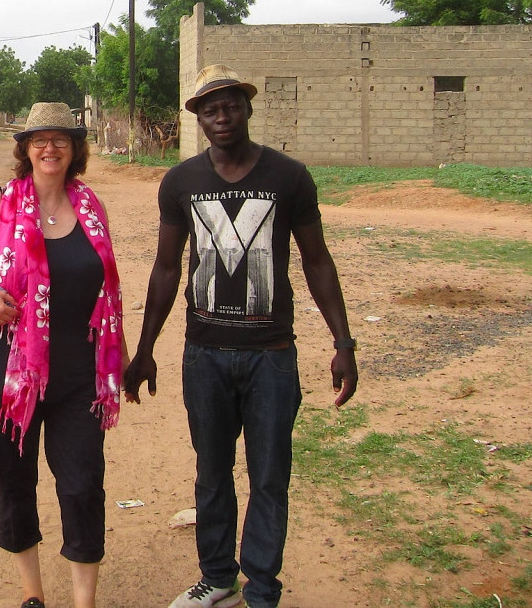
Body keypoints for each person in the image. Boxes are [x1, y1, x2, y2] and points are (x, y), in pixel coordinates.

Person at [123, 65, 358, 608]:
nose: (221, 116)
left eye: (230, 105)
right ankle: (218, 577)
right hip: (203, 354)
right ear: (198, 119)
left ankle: (262, 590)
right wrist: (145, 350)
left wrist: (343, 342)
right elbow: (164, 269)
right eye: (210, 109)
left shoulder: (289, 176)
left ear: (247, 109)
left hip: (271, 356)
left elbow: (317, 261)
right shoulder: (180, 182)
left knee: (270, 475)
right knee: (212, 472)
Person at [0, 101, 129, 608]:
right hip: (11, 375)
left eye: (60, 139)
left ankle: (84, 601)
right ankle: (32, 595)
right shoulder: (0, 201)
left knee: (82, 485)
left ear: (75, 150)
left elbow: (104, 285)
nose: (49, 148)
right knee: (16, 483)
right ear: (26, 149)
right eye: (39, 140)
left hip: (79, 374)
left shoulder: (91, 205)